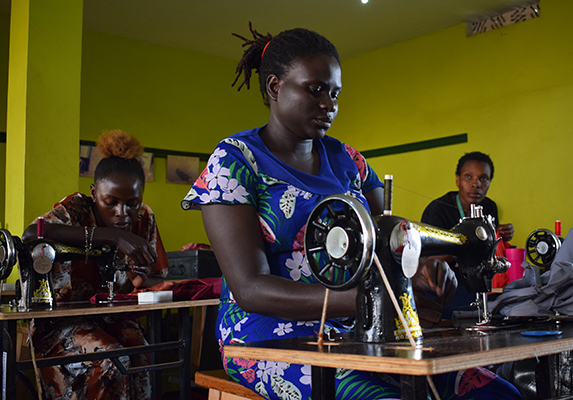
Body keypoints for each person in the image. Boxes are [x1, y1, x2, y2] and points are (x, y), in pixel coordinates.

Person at [182, 24, 521, 400]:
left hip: (356, 328)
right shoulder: (234, 161)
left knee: (496, 393)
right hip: (266, 338)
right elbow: (249, 288)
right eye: (315, 90)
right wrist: (368, 300)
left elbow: (389, 242)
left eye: (335, 93)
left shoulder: (348, 160)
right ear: (275, 87)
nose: (329, 104)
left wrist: (424, 267)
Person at [22, 130, 169, 400]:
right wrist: (111, 235)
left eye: (132, 203)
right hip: (61, 322)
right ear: (93, 193)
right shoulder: (76, 209)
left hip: (113, 316)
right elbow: (32, 234)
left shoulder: (144, 217)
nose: (122, 213)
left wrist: (140, 278)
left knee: (143, 356)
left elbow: (148, 281)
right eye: (110, 202)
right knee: (111, 361)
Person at [421, 151, 514, 318]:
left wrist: (499, 234)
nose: (476, 184)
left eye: (483, 178)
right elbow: (428, 262)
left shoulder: (489, 207)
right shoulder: (437, 210)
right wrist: (460, 247)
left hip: (477, 284)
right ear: (458, 180)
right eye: (468, 177)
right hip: (444, 288)